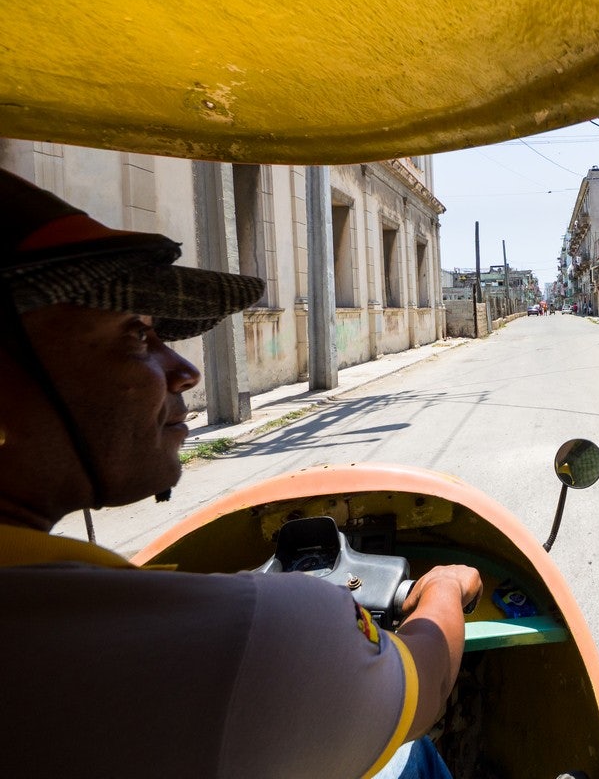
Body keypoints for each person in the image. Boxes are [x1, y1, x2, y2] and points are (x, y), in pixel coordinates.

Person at [0, 169, 481, 778]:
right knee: (412, 757)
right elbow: (425, 680)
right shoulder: (248, 637)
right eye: (137, 335)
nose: (183, 370)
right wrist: (445, 584)